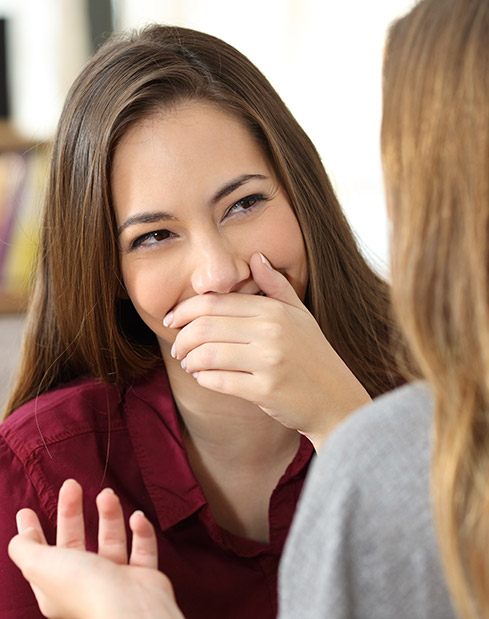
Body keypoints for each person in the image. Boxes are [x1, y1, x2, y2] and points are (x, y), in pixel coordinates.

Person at [9, 0, 489, 617]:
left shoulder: (448, 394)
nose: (219, 273)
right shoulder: (46, 466)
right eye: (154, 237)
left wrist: (347, 426)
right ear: (110, 274)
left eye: (243, 204)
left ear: (301, 194)